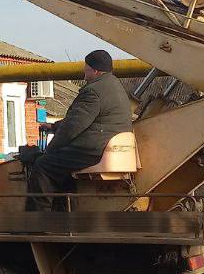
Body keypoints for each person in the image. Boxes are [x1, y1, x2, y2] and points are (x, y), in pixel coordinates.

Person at [35, 49, 133, 195]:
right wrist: (55, 126)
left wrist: (50, 149)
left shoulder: (93, 91)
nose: (84, 71)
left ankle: (38, 215)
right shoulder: (115, 86)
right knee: (62, 169)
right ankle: (66, 210)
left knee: (43, 165)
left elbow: (73, 127)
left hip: (93, 149)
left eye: (86, 67)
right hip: (109, 145)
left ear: (95, 70)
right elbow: (82, 118)